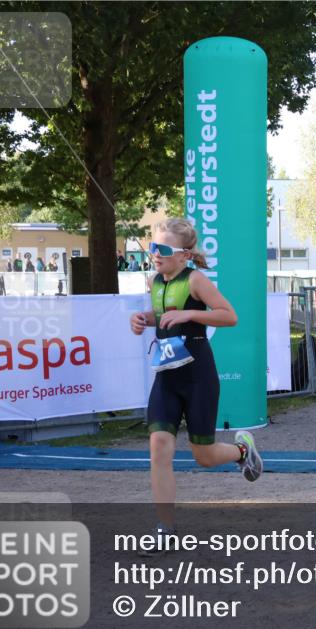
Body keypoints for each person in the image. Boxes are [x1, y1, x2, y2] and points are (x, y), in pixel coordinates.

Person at [129, 217, 263, 554]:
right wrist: (145, 319)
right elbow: (163, 316)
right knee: (159, 447)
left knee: (203, 455)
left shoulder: (196, 280)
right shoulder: (155, 281)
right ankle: (165, 528)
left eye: (162, 249)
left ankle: (243, 451)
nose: (154, 255)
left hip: (198, 374)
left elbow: (229, 316)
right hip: (166, 374)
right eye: (152, 247)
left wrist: (191, 316)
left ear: (184, 255)